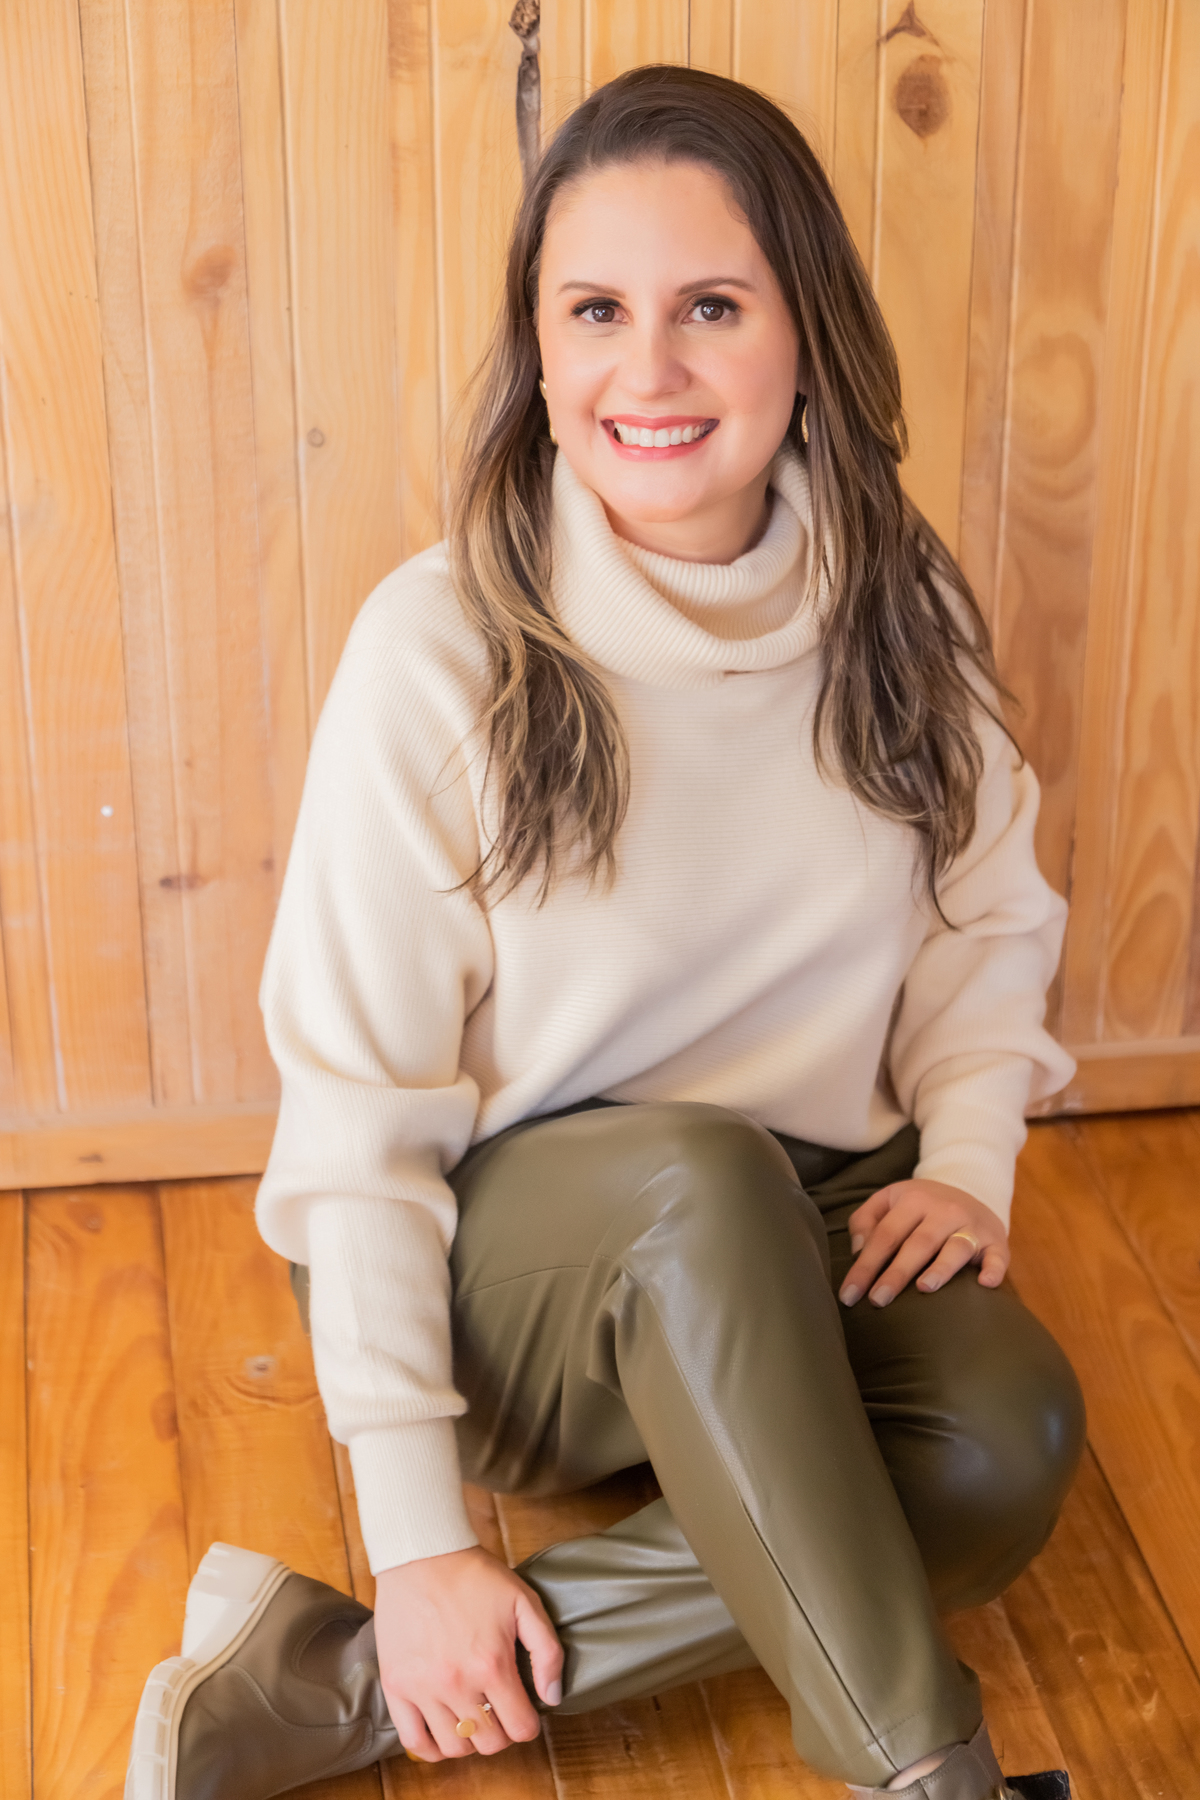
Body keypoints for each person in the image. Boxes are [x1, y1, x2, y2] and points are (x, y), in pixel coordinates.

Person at [126, 64, 1084, 1800]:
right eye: (595, 313)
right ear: (541, 352)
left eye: (711, 307)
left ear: (807, 335)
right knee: (692, 1182)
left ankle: (332, 1690)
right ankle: (927, 1772)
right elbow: (356, 1127)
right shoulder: (440, 650)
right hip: (515, 1276)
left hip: (810, 1215)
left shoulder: (900, 600)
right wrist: (421, 1537)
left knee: (998, 1447)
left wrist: (966, 1153)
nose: (648, 371)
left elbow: (985, 915)